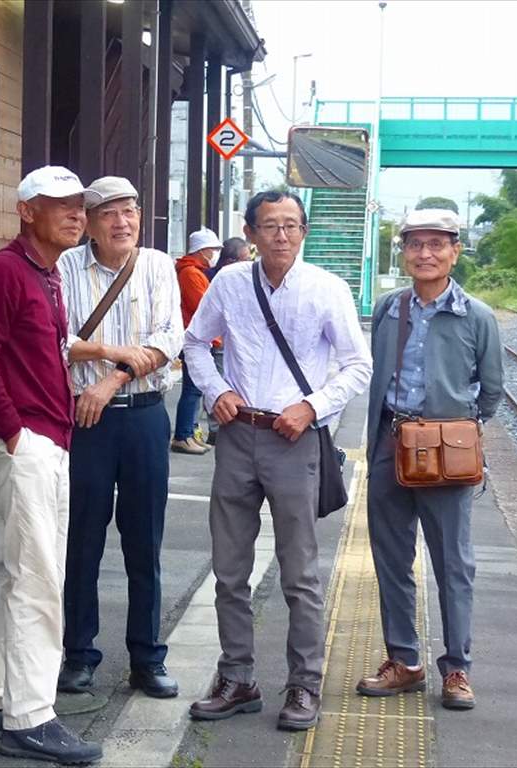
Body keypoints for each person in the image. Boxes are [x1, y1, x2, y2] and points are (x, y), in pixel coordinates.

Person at [183, 191, 371, 731]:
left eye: (291, 225)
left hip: (295, 440)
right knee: (228, 569)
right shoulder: (229, 282)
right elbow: (194, 343)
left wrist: (311, 407)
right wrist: (217, 390)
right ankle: (236, 678)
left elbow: (357, 366)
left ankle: (304, 684)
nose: (281, 235)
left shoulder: (326, 288)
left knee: (300, 573)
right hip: (237, 436)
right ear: (250, 233)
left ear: (303, 232)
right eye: (270, 225)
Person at [0, 166, 103, 765]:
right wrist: (12, 430)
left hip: (45, 439)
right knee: (40, 581)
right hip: (27, 441)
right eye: (62, 205)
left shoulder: (46, 273)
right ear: (27, 211)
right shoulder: (4, 272)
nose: (77, 215)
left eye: (80, 206)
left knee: (31, 575)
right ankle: (30, 719)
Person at [357, 208, 503, 710]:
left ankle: (457, 668)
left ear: (455, 251)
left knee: (453, 563)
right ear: (404, 252)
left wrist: (458, 430)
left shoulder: (476, 316)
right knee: (391, 558)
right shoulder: (388, 308)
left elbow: (492, 390)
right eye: (415, 244)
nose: (425, 254)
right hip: (390, 443)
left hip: (447, 453)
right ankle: (404, 661)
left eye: (437, 244)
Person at [56, 176, 184, 700]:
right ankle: (78, 654)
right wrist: (112, 352)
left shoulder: (158, 265)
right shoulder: (66, 266)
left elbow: (169, 338)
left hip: (145, 417)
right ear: (89, 222)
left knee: (144, 543)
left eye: (129, 210)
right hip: (85, 422)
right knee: (81, 541)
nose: (121, 222)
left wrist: (110, 380)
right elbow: (57, 339)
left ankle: (147, 657)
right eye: (109, 213)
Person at [172, 227, 223, 454]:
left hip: (196, 336)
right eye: (213, 249)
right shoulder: (191, 273)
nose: (215, 254)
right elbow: (202, 306)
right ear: (202, 251)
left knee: (194, 389)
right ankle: (183, 435)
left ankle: (189, 433)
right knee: (192, 390)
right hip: (195, 337)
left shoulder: (191, 271)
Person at [204, 237, 251, 444]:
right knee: (216, 383)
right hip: (217, 340)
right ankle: (214, 427)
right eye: (246, 259)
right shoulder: (218, 279)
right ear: (231, 261)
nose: (250, 264)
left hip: (227, 341)